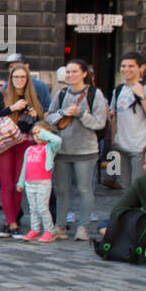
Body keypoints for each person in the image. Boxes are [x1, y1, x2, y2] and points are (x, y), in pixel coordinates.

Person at [45, 58, 106, 242]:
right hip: (62, 150)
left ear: (84, 74)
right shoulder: (61, 93)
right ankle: (60, 225)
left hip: (85, 150)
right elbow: (49, 117)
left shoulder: (95, 94)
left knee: (84, 189)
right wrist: (63, 113)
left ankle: (83, 227)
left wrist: (81, 113)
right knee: (62, 190)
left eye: (74, 71)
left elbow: (99, 123)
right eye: (68, 72)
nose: (70, 75)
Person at [0, 62, 44, 238]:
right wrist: (12, 108)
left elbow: (40, 124)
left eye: (22, 77)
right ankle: (11, 222)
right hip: (5, 143)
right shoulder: (2, 95)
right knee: (7, 185)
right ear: (11, 79)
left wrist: (36, 116)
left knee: (18, 185)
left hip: (24, 144)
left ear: (27, 79)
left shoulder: (32, 98)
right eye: (16, 77)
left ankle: (10, 222)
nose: (19, 80)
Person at [108, 52, 146, 193]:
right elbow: (114, 116)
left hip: (141, 148)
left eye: (131, 66)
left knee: (139, 189)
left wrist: (142, 96)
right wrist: (114, 141)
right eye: (123, 66)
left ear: (141, 68)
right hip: (121, 147)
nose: (126, 69)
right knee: (125, 189)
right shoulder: (118, 90)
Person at [15, 121, 62, 241]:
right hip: (29, 182)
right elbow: (24, 167)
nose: (37, 135)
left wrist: (45, 134)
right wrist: (21, 182)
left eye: (40, 133)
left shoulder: (49, 148)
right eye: (35, 133)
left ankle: (49, 230)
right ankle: (35, 229)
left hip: (43, 182)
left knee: (42, 208)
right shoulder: (29, 149)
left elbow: (57, 140)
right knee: (33, 208)